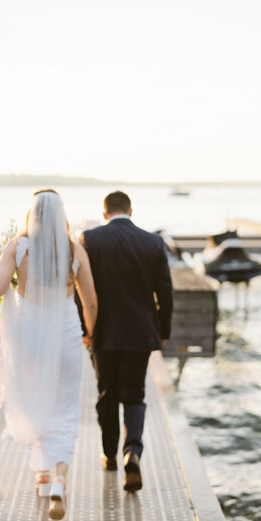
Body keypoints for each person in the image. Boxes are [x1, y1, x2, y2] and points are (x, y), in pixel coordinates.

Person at [0, 190, 97, 520]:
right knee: (65, 409)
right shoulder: (74, 249)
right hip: (65, 339)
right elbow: (90, 301)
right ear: (60, 213)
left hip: (29, 339)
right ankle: (60, 480)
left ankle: (41, 477)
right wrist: (90, 334)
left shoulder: (18, 246)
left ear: (32, 213)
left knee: (34, 400)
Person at [81, 191, 173, 492]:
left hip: (103, 333)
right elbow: (165, 292)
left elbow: (81, 291)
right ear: (130, 211)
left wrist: (85, 328)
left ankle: (109, 455)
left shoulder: (90, 240)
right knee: (134, 395)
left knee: (106, 394)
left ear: (104, 212)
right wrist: (163, 330)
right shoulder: (153, 242)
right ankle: (132, 451)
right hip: (140, 332)